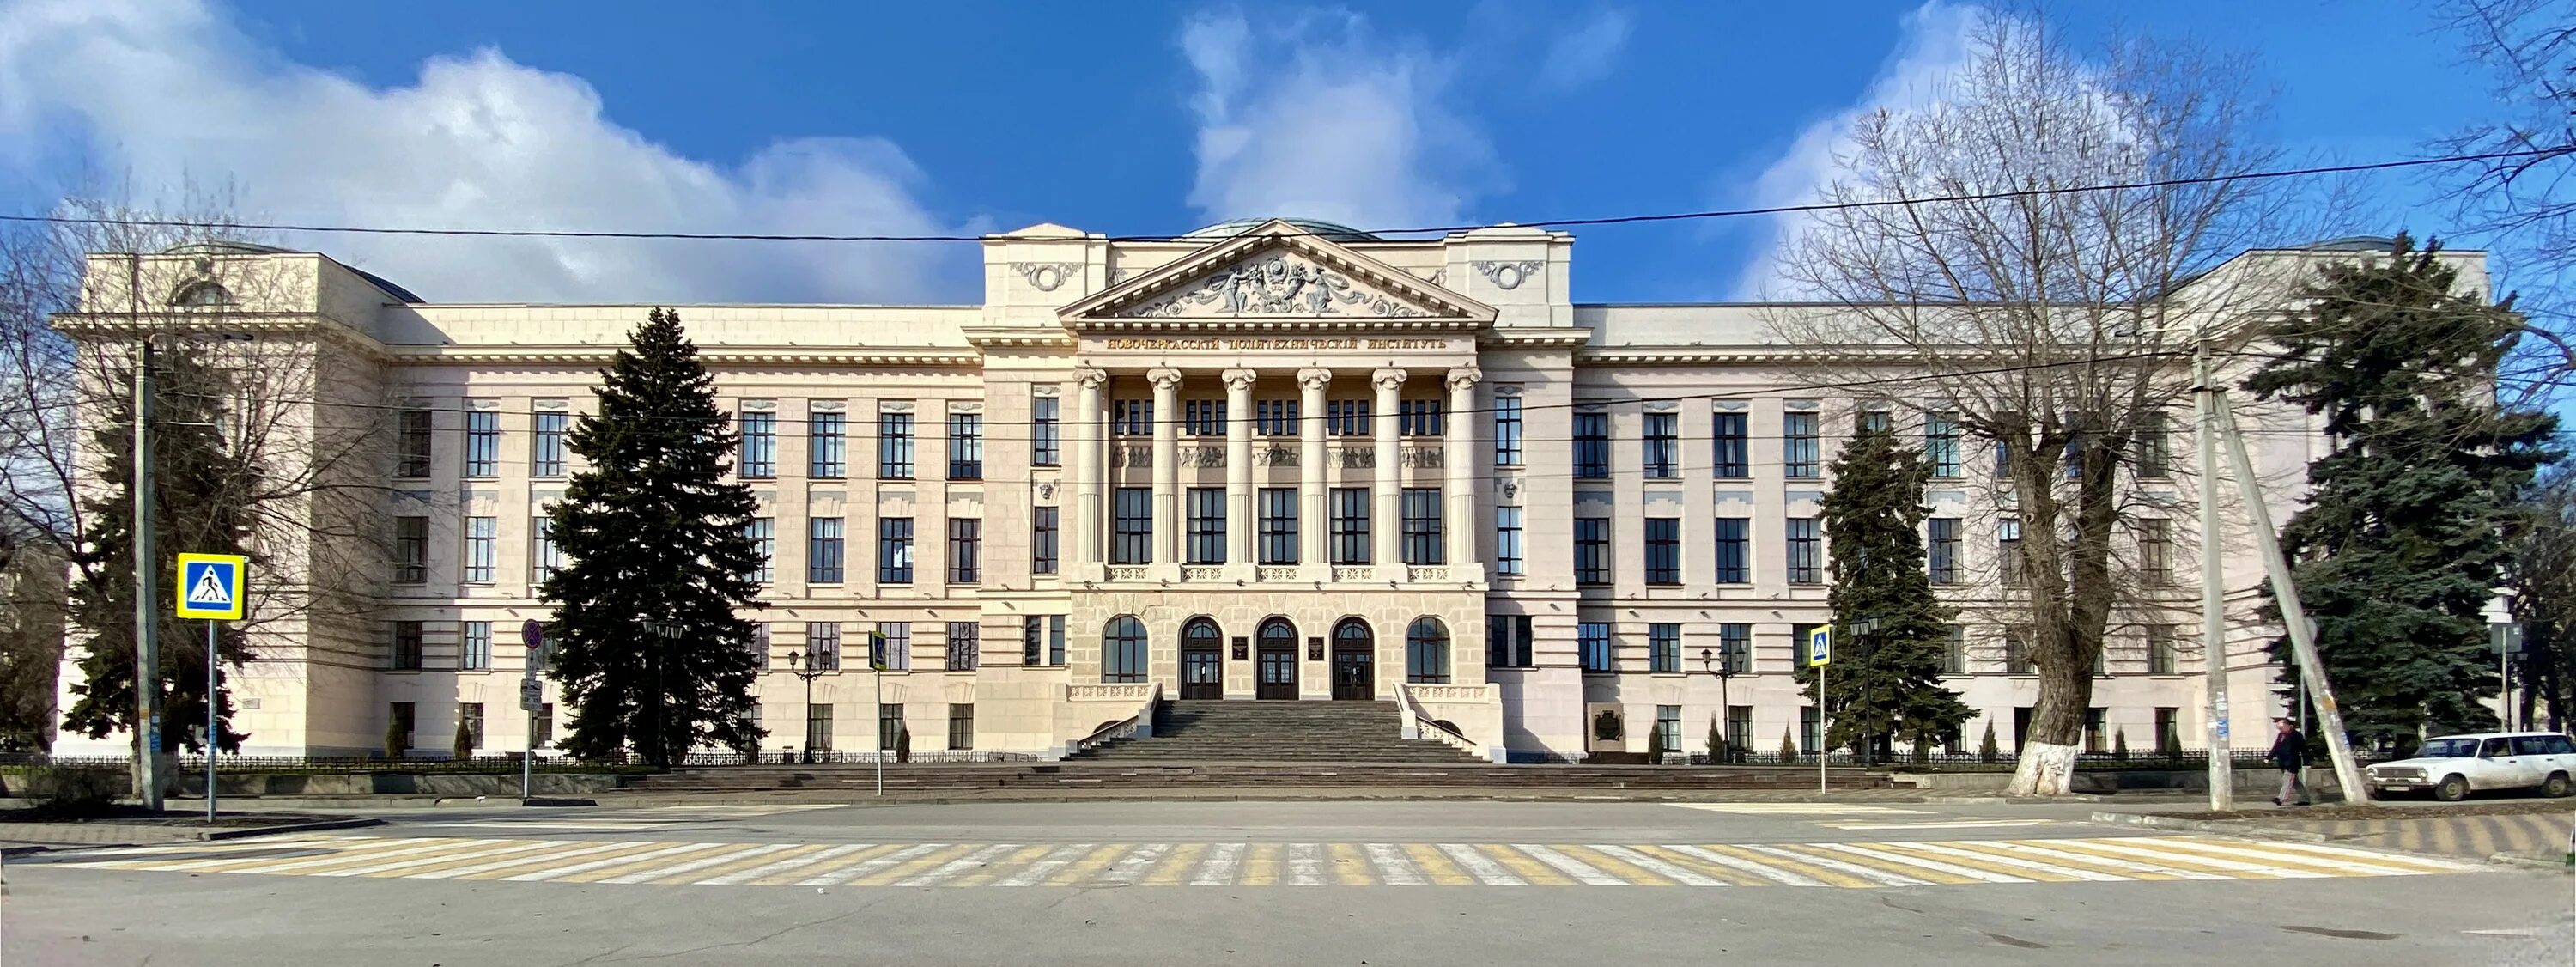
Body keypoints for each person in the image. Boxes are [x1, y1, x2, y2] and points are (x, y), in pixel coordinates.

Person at [2269, 716, 2310, 806]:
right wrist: (2269, 757)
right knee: (2294, 782)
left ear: (2288, 725)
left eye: (2281, 727)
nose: (2280, 729)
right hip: (2283, 762)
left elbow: (2303, 749)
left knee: (2287, 781)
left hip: (2292, 763)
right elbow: (2276, 747)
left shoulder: (2296, 736)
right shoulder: (2281, 735)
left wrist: (2307, 762)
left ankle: (2281, 798)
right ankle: (2305, 798)